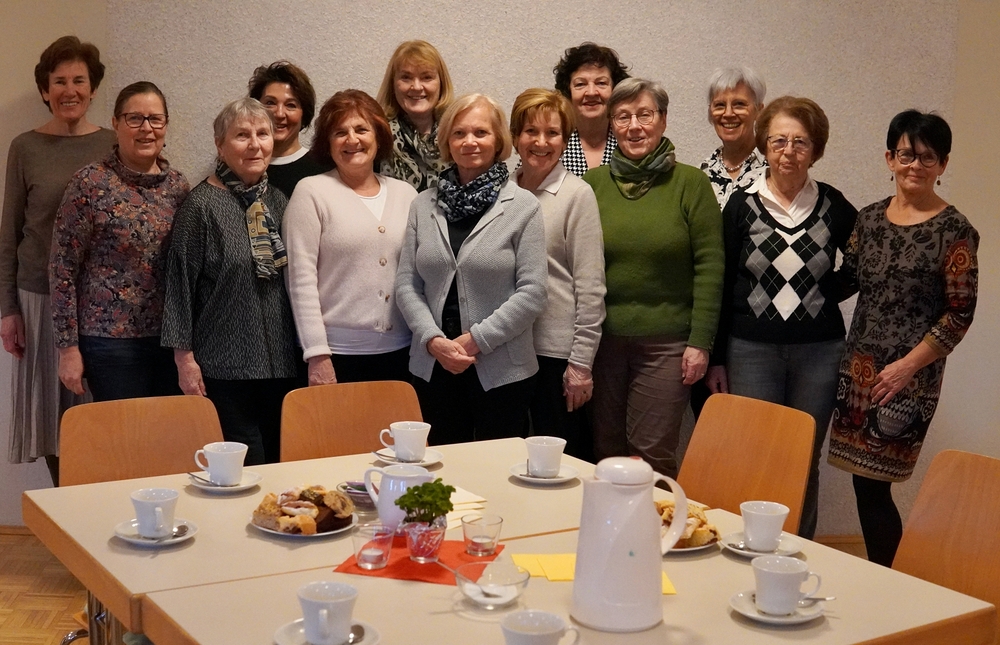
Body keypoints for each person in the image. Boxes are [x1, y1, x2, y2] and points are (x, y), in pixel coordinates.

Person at [828, 111, 978, 566]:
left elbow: (960, 313)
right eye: (907, 154)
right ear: (890, 158)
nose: (916, 165)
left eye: (928, 157)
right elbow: (847, 280)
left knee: (875, 483)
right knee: (862, 482)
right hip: (859, 371)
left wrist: (907, 366)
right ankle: (885, 578)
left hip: (910, 378)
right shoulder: (870, 219)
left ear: (943, 164)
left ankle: (887, 579)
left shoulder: (955, 230)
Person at [707, 96, 858, 540]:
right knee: (754, 453)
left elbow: (863, 261)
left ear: (815, 149)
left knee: (802, 457)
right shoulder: (742, 205)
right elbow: (721, 282)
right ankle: (753, 544)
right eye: (778, 141)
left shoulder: (833, 204)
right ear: (765, 146)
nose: (788, 151)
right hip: (751, 351)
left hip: (819, 353)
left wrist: (826, 291)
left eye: (800, 142)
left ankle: (797, 548)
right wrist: (716, 358)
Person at [585, 78, 724, 478]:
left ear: (663, 120)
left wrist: (700, 343)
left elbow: (710, 266)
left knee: (651, 456)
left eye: (644, 115)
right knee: (605, 453)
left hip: (667, 345)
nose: (634, 126)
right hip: (602, 343)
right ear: (611, 125)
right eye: (623, 117)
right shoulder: (591, 186)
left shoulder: (690, 184)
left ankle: (660, 520)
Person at [395, 93, 547, 445]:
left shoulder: (523, 206)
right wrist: (434, 341)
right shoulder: (422, 205)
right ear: (447, 141)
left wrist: (475, 341)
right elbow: (406, 285)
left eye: (481, 132)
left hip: (503, 370)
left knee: (498, 470)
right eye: (459, 133)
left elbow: (533, 292)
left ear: (498, 141)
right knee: (442, 467)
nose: (470, 141)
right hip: (434, 364)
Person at [162, 98, 300, 465]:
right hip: (223, 367)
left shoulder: (279, 201)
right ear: (220, 145)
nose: (255, 144)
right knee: (246, 467)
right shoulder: (200, 206)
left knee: (282, 464)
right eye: (242, 135)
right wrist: (184, 360)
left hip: (281, 364)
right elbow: (178, 287)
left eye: (262, 134)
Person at [1, 36, 115, 483]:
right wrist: (8, 309)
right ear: (45, 90)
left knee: (98, 417)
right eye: (60, 81)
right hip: (39, 299)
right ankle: (66, 506)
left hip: (101, 303)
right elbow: (9, 233)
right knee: (52, 421)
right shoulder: (24, 147)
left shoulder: (113, 144)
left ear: (93, 88)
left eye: (79, 80)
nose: (70, 90)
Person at [50, 81, 189, 403]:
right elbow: (62, 269)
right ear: (115, 123)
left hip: (168, 341)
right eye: (134, 118)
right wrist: (67, 348)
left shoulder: (178, 187)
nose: (146, 128)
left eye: (155, 119)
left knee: (167, 428)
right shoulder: (89, 183)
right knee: (125, 432)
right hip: (109, 343)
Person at [284, 90, 417, 385]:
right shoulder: (311, 192)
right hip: (335, 355)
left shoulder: (406, 194)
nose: (352, 139)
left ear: (378, 136)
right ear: (327, 143)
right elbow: (300, 280)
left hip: (402, 352)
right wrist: (317, 354)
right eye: (340, 132)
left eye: (361, 129)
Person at [511, 88, 605, 461]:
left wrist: (580, 364)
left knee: (561, 464)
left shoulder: (577, 195)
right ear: (515, 137)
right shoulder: (502, 192)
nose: (541, 142)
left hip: (557, 356)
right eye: (530, 131)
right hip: (507, 351)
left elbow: (591, 286)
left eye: (552, 133)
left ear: (565, 141)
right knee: (508, 458)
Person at [693, 68, 769, 419]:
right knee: (711, 429)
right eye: (719, 104)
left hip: (757, 326)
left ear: (759, 110)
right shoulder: (698, 177)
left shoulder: (776, 173)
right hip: (708, 323)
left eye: (739, 104)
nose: (728, 113)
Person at [377, 40, 454, 191]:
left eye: (427, 77)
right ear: (393, 84)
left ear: (441, 83)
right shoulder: (378, 137)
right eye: (406, 77)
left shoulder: (458, 135)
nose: (417, 87)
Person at [248, 61, 332, 199]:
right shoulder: (242, 167)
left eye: (291, 105)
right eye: (270, 103)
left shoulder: (324, 171)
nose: (279, 114)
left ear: (304, 114)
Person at [552, 42, 630, 177]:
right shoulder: (551, 143)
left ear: (615, 89)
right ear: (568, 91)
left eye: (601, 83)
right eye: (580, 84)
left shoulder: (631, 140)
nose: (591, 92)